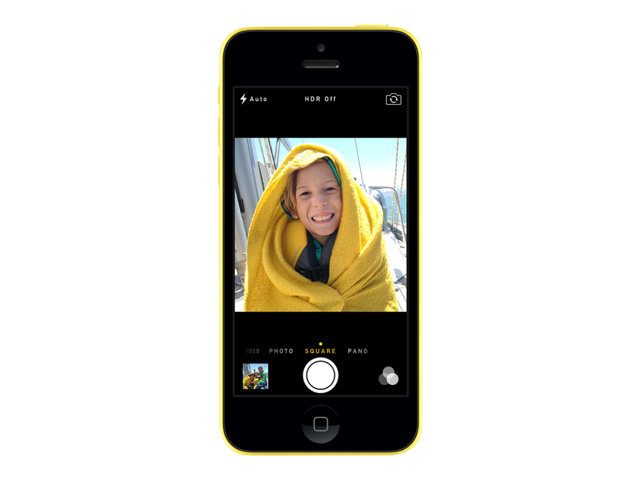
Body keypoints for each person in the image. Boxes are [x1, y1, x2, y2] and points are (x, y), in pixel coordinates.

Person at [244, 143, 398, 312]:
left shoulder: (367, 241)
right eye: (305, 193)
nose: (319, 202)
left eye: (329, 189)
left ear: (347, 195)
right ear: (293, 208)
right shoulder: (279, 249)